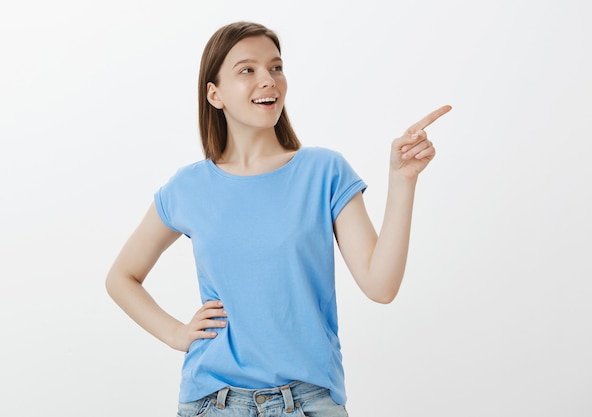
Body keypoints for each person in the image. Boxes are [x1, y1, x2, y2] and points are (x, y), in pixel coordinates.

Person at [105, 21, 451, 417]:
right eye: (247, 70)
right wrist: (176, 334)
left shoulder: (324, 171)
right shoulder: (188, 187)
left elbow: (381, 285)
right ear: (214, 94)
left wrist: (402, 181)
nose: (268, 80)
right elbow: (121, 278)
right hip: (212, 402)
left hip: (308, 402)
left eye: (276, 67)